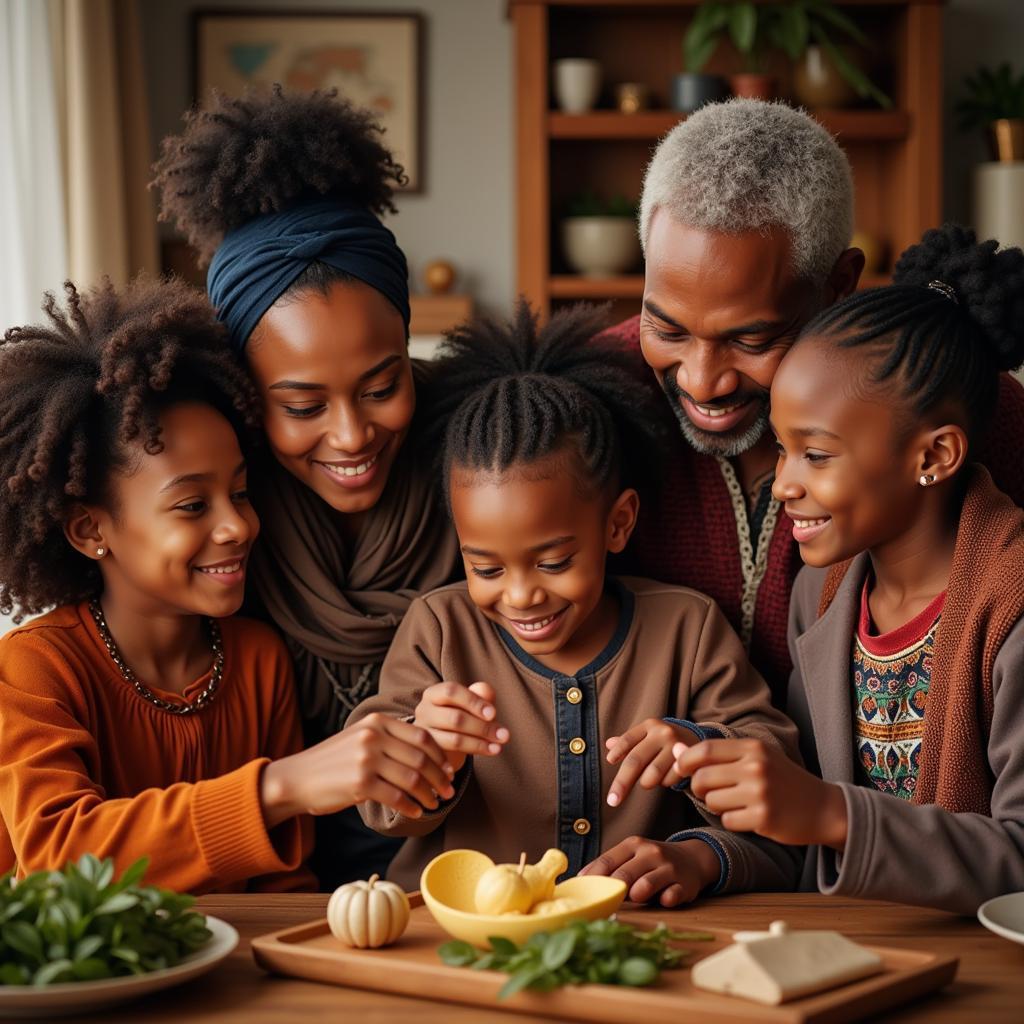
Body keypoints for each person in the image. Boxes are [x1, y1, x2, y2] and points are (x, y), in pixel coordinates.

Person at [0, 278, 454, 894]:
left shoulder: (255, 659)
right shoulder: (33, 668)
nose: (238, 525)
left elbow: (284, 887)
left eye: (240, 492)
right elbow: (58, 855)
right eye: (191, 506)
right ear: (88, 529)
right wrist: (282, 785)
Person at [349, 302, 800, 904]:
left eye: (553, 562)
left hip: (641, 934)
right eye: (484, 566)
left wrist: (695, 780)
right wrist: (425, 747)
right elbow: (381, 805)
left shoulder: (685, 629)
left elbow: (775, 774)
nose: (519, 594)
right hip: (460, 941)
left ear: (618, 525)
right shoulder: (439, 628)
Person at [604, 99, 1024, 701]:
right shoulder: (588, 398)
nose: (700, 382)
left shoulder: (962, 408)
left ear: (838, 284)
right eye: (667, 330)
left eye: (750, 338)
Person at [152, 87, 460, 884]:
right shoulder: (221, 533)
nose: (353, 435)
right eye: (303, 406)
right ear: (249, 399)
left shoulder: (481, 476)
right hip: (277, 901)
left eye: (383, 385)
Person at [670, 225, 1024, 914]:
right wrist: (699, 851)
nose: (782, 484)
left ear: (934, 456)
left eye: (818, 454)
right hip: (852, 956)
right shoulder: (822, 593)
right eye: (782, 447)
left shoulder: (1011, 605)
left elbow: (1018, 857)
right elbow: (801, 824)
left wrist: (834, 813)